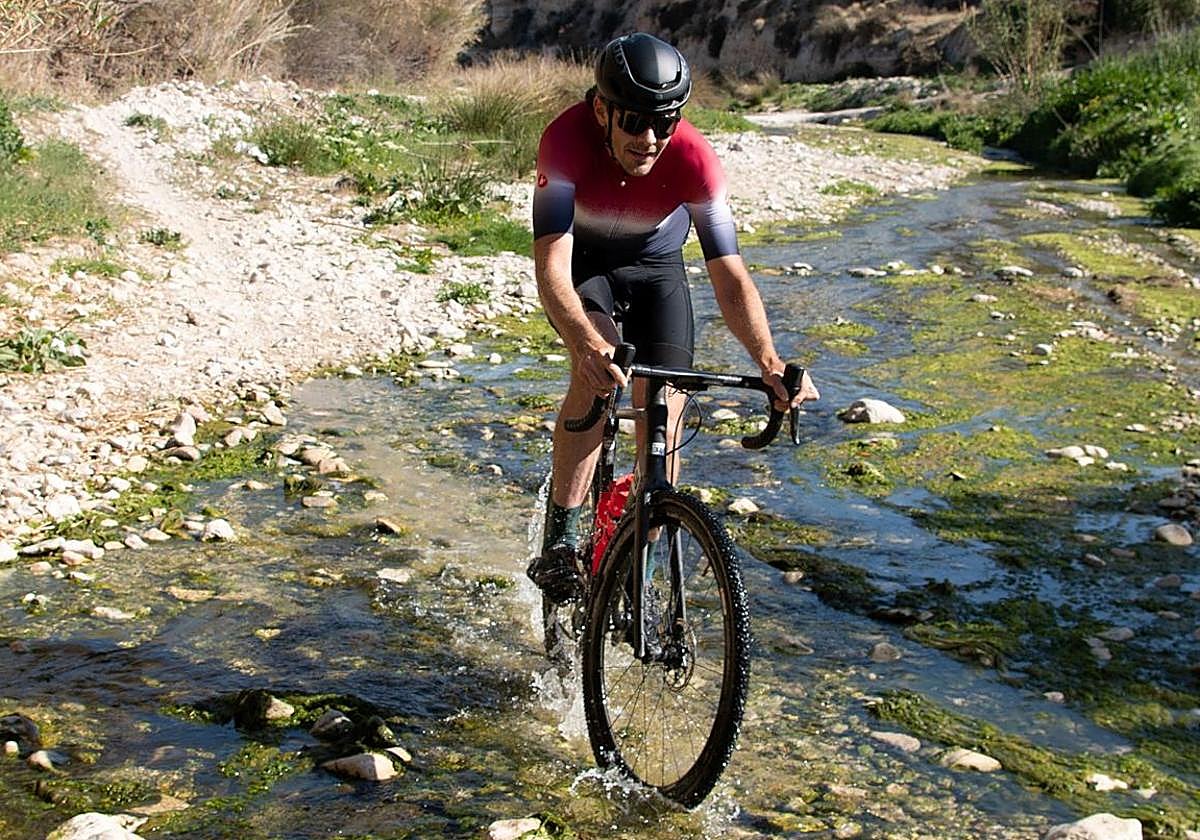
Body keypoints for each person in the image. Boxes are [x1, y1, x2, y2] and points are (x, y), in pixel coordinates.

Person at [527, 32, 819, 603]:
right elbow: (551, 270)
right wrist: (586, 345)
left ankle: (643, 555)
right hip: (585, 265)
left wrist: (767, 359)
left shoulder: (693, 157)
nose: (650, 138)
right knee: (599, 380)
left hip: (658, 267)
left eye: (665, 122)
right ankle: (561, 538)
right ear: (602, 109)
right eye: (634, 121)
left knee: (668, 408)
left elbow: (729, 274)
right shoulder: (564, 141)